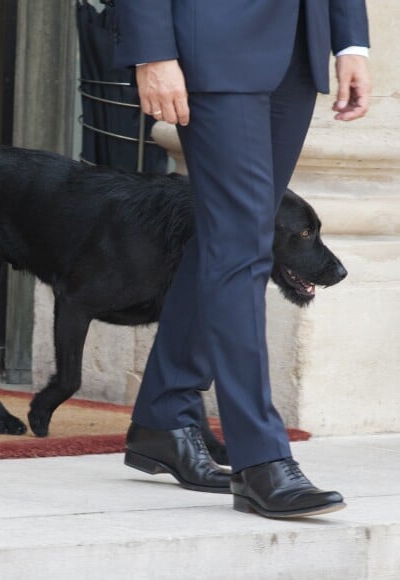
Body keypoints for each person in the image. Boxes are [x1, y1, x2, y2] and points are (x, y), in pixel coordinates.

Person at [114, 0, 370, 518]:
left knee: (229, 239)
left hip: (298, 46)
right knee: (241, 247)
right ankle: (262, 459)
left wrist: (350, 40)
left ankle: (165, 412)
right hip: (210, 41)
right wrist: (152, 50)